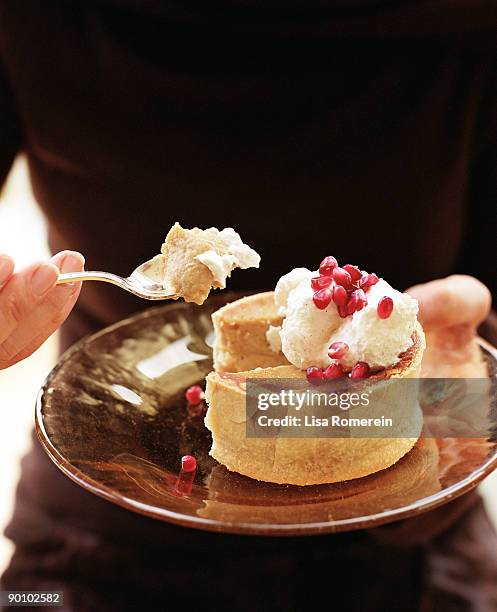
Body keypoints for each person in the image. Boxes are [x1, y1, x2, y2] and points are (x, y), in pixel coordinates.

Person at [0, 0, 496, 609]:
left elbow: (469, 372)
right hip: (99, 525)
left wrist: (461, 399)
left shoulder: (466, 25)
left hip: (410, 546)